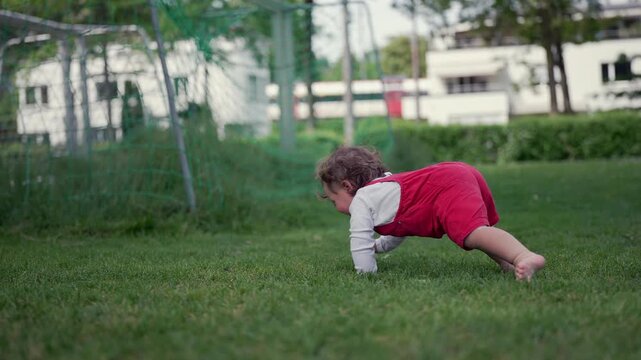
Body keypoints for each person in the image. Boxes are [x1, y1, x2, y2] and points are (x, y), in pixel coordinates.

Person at [316, 146, 546, 281]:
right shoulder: (383, 188)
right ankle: (508, 262)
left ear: (347, 187)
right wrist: (379, 247)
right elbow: (400, 226)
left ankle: (523, 256)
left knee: (472, 233)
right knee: (479, 232)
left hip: (447, 183)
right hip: (457, 172)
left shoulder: (362, 200)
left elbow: (359, 241)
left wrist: (365, 273)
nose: (337, 207)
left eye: (334, 199)